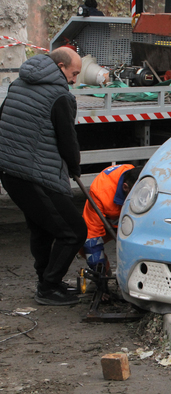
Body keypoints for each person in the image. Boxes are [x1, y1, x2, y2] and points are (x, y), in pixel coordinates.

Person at [0, 47, 87, 306]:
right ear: (60, 67)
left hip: (11, 172)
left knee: (43, 227)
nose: (74, 80)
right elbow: (67, 141)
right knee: (74, 230)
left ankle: (46, 280)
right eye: (74, 74)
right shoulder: (60, 95)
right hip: (34, 175)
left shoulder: (19, 83)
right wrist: (74, 166)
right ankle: (49, 287)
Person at [82, 164, 141, 274]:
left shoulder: (147, 180)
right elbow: (92, 235)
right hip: (111, 221)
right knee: (85, 243)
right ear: (125, 187)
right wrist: (99, 270)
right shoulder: (100, 192)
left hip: (135, 221)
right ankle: (103, 273)